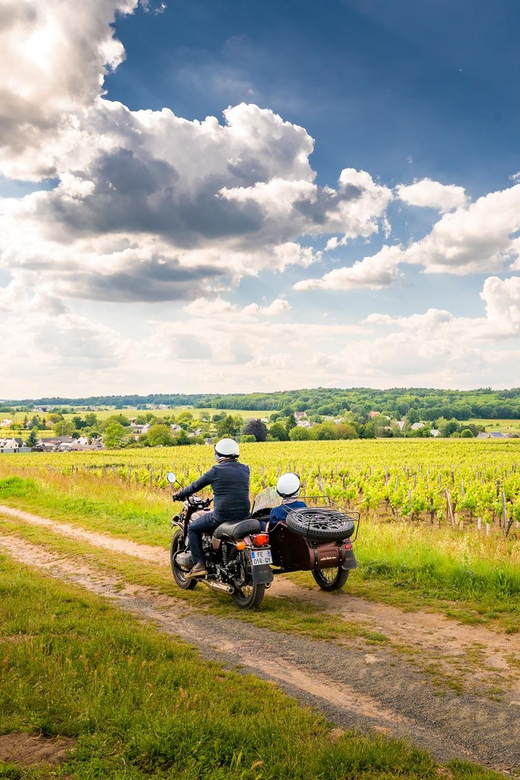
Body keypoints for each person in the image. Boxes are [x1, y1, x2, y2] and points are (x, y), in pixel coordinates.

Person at [172, 438, 250, 578]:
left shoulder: (216, 471)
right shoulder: (245, 469)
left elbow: (195, 486)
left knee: (194, 527)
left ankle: (199, 564)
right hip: (244, 514)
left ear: (219, 454)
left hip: (221, 516)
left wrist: (179, 495)